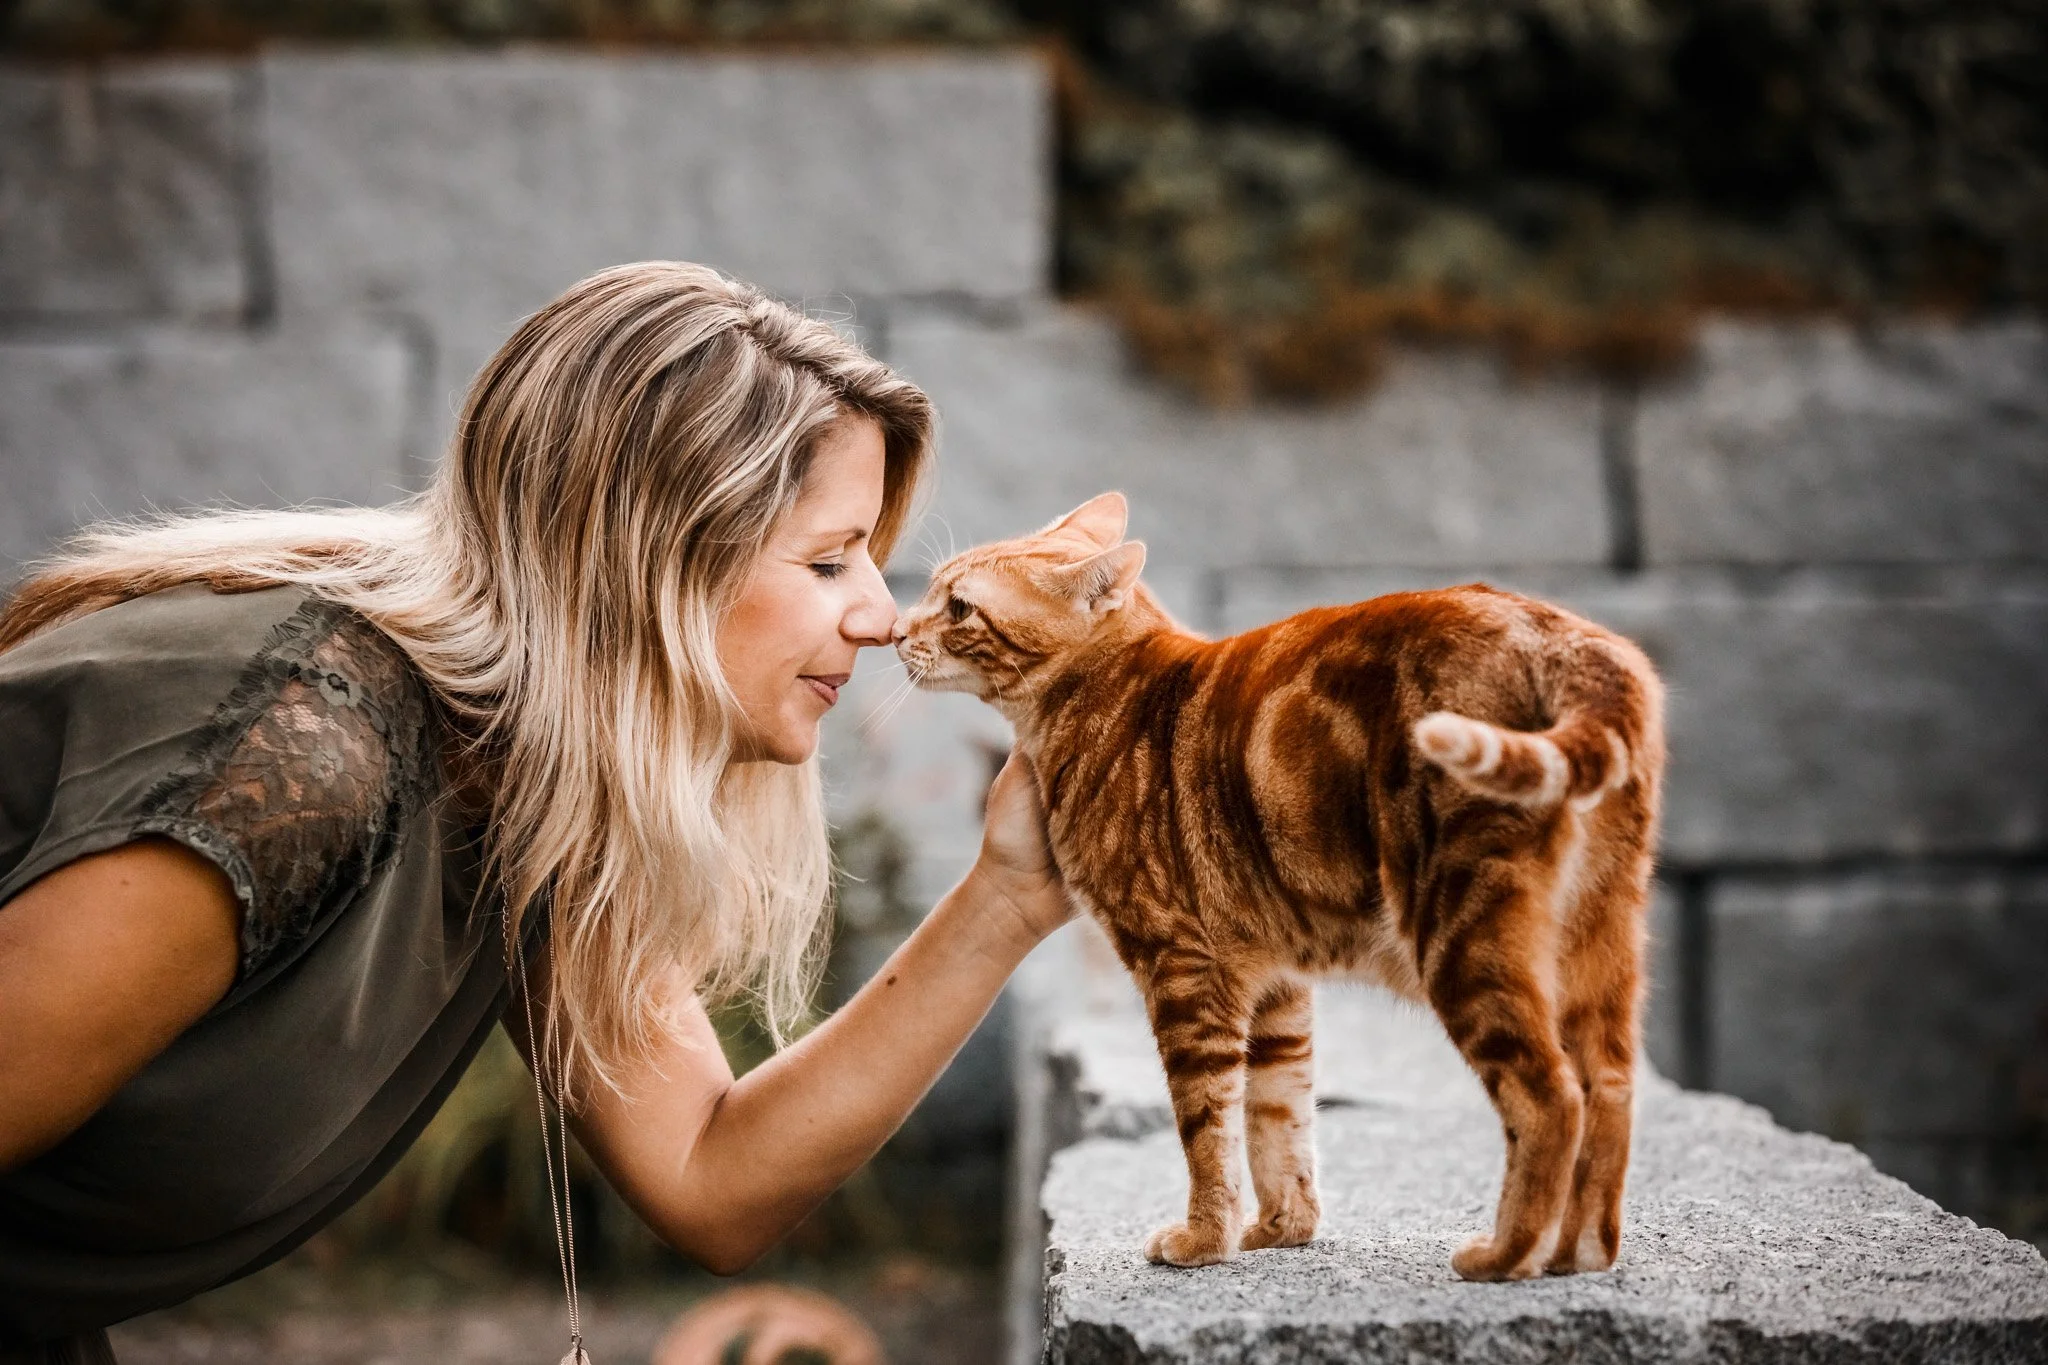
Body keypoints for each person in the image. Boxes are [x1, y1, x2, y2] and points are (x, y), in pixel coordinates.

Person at [0, 262, 1073, 1364]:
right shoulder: (293, 759)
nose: (879, 619)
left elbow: (710, 1179)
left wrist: (1009, 896)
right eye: (829, 560)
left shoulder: (533, 786)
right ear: (647, 554)